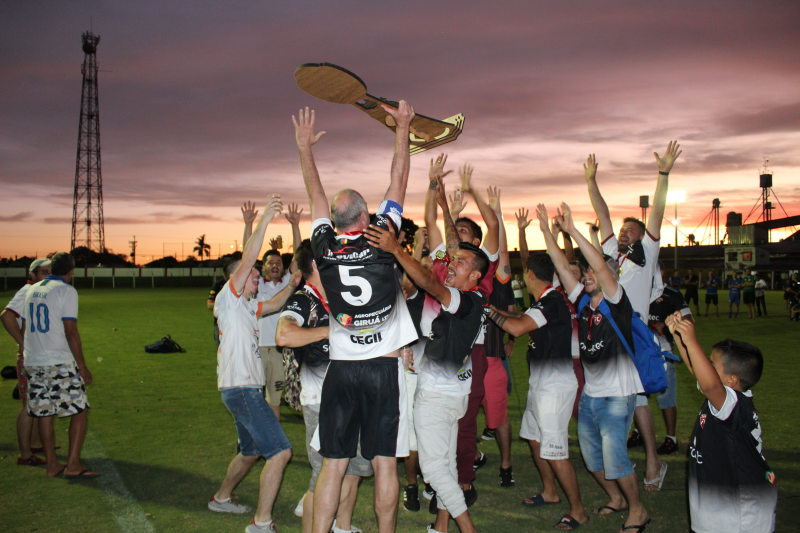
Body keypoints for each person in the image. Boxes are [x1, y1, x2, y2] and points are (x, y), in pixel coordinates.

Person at [293, 104, 418, 533]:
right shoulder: (384, 237)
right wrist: (401, 128)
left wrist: (304, 150)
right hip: (383, 367)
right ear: (364, 218)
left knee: (333, 465)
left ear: (335, 220)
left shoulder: (323, 247)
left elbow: (315, 193)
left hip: (341, 369)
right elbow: (398, 178)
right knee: (385, 464)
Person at [365, 174, 489, 533]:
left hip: (437, 396)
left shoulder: (464, 300)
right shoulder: (463, 292)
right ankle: (441, 528)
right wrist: (442, 198)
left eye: (461, 264)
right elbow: (449, 252)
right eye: (452, 261)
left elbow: (429, 281)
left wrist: (395, 249)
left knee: (434, 471)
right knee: (446, 464)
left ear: (475, 277)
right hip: (453, 395)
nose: (452, 264)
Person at [585, 144, 680, 493]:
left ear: (642, 236)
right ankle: (637, 461)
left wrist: (663, 174)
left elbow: (657, 212)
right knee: (627, 398)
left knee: (636, 398)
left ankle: (649, 461)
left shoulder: (648, 252)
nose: (622, 233)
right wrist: (591, 181)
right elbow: (603, 213)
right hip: (608, 333)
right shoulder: (612, 253)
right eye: (622, 230)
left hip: (634, 333)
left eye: (630, 230)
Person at [554, 202, 650, 531]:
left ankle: (637, 510)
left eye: (596, 271)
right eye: (589, 272)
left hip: (617, 395)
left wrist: (574, 232)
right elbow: (563, 268)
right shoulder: (582, 301)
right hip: (591, 395)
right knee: (592, 458)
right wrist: (545, 231)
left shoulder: (616, 300)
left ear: (610, 276)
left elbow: (600, 265)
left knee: (615, 458)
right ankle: (617, 498)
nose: (589, 275)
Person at [491, 212, 588, 532]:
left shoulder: (552, 301)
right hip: (541, 383)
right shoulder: (546, 301)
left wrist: (486, 310)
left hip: (556, 387)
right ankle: (550, 493)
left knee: (555, 449)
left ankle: (578, 511)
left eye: (524, 275)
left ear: (530, 275)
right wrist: (494, 310)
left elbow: (517, 328)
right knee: (533, 438)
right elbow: (517, 315)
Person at [210, 195, 301, 533]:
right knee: (280, 453)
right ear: (238, 278)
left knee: (250, 452)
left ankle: (221, 498)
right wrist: (264, 219)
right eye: (251, 277)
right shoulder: (230, 297)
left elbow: (274, 304)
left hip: (239, 390)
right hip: (243, 390)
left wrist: (293, 283)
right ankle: (261, 524)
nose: (256, 280)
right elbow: (249, 258)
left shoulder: (247, 306)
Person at [276, 239, 370, 533]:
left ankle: (342, 528)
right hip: (322, 401)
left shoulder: (339, 296)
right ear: (316, 264)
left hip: (352, 395)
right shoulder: (303, 298)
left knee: (355, 470)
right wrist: (331, 331)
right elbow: (283, 334)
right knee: (324, 477)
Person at [423, 157, 500, 510]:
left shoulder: (480, 270)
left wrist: (447, 206)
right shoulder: (449, 264)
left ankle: (462, 479)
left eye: (465, 239)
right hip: (434, 346)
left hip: (471, 350)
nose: (457, 246)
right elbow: (438, 231)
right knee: (434, 417)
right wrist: (436, 193)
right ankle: (439, 477)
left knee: (464, 419)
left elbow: (455, 236)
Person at [666, 315, 777, 532]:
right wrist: (678, 337)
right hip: (720, 507)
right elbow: (697, 371)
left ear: (731, 380)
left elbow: (710, 386)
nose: (705, 366)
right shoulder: (724, 400)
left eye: (712, 364)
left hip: (740, 512)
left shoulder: (734, 404)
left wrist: (692, 341)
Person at [21, 252, 99, 479]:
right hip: (57, 361)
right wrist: (82, 367)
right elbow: (71, 331)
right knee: (80, 410)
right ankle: (73, 464)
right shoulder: (66, 290)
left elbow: (26, 328)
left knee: (45, 412)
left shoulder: (32, 290)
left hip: (33, 360)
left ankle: (52, 465)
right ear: (71, 271)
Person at [243, 200, 304, 418]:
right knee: (254, 397)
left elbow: (298, 257)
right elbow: (247, 258)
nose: (275, 265)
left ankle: (273, 445)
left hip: (280, 351)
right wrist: (249, 224)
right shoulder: (256, 286)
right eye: (270, 262)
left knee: (274, 400)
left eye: (278, 262)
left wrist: (295, 226)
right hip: (257, 350)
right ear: (264, 266)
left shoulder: (289, 282)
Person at [1, 258, 50, 466]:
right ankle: (24, 454)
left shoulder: (37, 291)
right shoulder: (26, 291)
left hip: (38, 355)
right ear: (32, 274)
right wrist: (22, 344)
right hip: (29, 356)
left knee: (37, 400)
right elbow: (6, 316)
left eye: (50, 272)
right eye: (42, 272)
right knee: (29, 404)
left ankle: (36, 443)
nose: (47, 276)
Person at [646, 263, 693, 456]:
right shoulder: (636, 291)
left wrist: (666, 327)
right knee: (638, 399)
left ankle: (671, 438)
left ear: (661, 272)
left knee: (666, 398)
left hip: (663, 353)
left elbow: (688, 320)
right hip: (640, 354)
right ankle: (639, 433)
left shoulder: (672, 294)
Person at [208, 257, 235, 348]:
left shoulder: (244, 285)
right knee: (222, 354)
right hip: (220, 325)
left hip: (238, 325)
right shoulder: (219, 285)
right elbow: (210, 304)